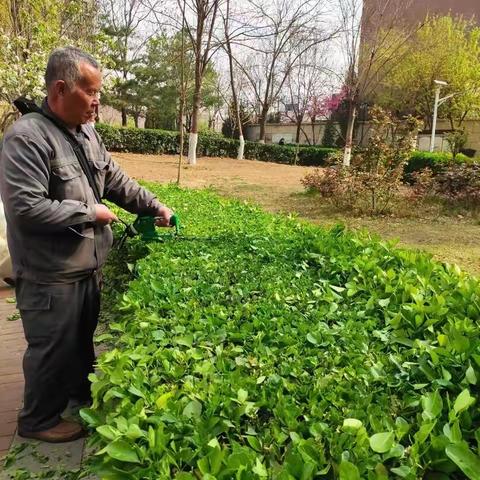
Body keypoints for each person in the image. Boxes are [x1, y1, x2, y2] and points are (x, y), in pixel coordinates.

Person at [0, 47, 173, 443]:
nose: (98, 102)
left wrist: (154, 205)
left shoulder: (85, 130)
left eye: (100, 93)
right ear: (61, 89)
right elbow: (26, 208)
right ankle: (38, 421)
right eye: (91, 92)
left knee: (79, 341)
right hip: (49, 275)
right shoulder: (26, 138)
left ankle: (76, 394)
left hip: (84, 268)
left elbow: (113, 178)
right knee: (51, 348)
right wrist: (88, 213)